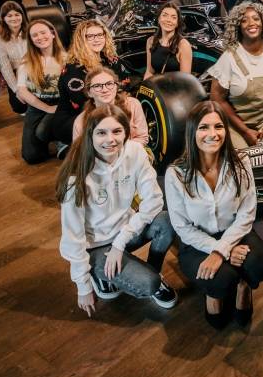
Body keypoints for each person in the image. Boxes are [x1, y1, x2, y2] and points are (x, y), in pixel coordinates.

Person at [57, 104, 178, 315]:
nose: (110, 140)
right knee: (147, 285)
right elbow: (72, 236)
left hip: (124, 233)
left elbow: (155, 201)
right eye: (101, 133)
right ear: (90, 135)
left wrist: (120, 243)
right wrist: (82, 287)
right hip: (96, 245)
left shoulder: (135, 152)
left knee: (166, 221)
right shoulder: (76, 175)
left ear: (126, 132)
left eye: (117, 131)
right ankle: (100, 273)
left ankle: (153, 272)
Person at [165, 101, 263, 328]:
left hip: (235, 231)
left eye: (218, 127)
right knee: (220, 279)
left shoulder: (241, 162)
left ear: (226, 130)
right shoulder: (175, 174)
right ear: (192, 131)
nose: (212, 134)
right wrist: (224, 250)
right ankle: (213, 296)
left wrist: (223, 248)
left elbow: (247, 213)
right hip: (196, 242)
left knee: (261, 264)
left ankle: (244, 287)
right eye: (204, 127)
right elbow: (183, 228)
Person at [207, 1, 263, 150]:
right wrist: (245, 132)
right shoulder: (229, 58)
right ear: (237, 26)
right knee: (243, 162)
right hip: (236, 124)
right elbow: (217, 99)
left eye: (256, 18)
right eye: (244, 20)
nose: (251, 23)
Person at [51, 19, 120, 149]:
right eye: (90, 36)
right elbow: (86, 103)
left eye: (100, 35)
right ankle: (70, 145)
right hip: (75, 117)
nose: (97, 39)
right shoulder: (73, 68)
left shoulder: (109, 58)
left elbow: (124, 81)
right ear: (81, 40)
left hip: (104, 108)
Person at [17, 19, 67, 165]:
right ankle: (53, 137)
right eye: (35, 35)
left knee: (42, 131)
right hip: (37, 104)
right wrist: (47, 108)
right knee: (31, 156)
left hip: (60, 103)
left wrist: (59, 108)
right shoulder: (27, 61)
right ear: (31, 40)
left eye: (43, 32)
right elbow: (22, 90)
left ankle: (62, 140)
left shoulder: (67, 58)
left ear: (52, 34)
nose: (40, 37)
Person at [72, 67, 148, 145]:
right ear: (89, 93)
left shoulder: (133, 105)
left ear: (116, 87)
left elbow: (142, 138)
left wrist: (121, 152)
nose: (105, 90)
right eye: (97, 86)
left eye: (109, 84)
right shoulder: (80, 122)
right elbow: (79, 151)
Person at [0, 1, 30, 115]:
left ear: (22, 16)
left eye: (17, 14)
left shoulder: (30, 31)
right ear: (3, 18)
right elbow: (5, 67)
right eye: (9, 16)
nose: (14, 18)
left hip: (34, 69)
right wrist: (17, 89)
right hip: (16, 73)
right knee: (19, 106)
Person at [144, 3, 193, 78]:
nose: (168, 20)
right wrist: (143, 88)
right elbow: (150, 71)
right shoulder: (150, 41)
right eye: (165, 15)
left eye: (173, 17)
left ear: (177, 23)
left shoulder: (183, 45)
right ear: (159, 19)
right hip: (157, 87)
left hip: (176, 88)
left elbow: (185, 80)